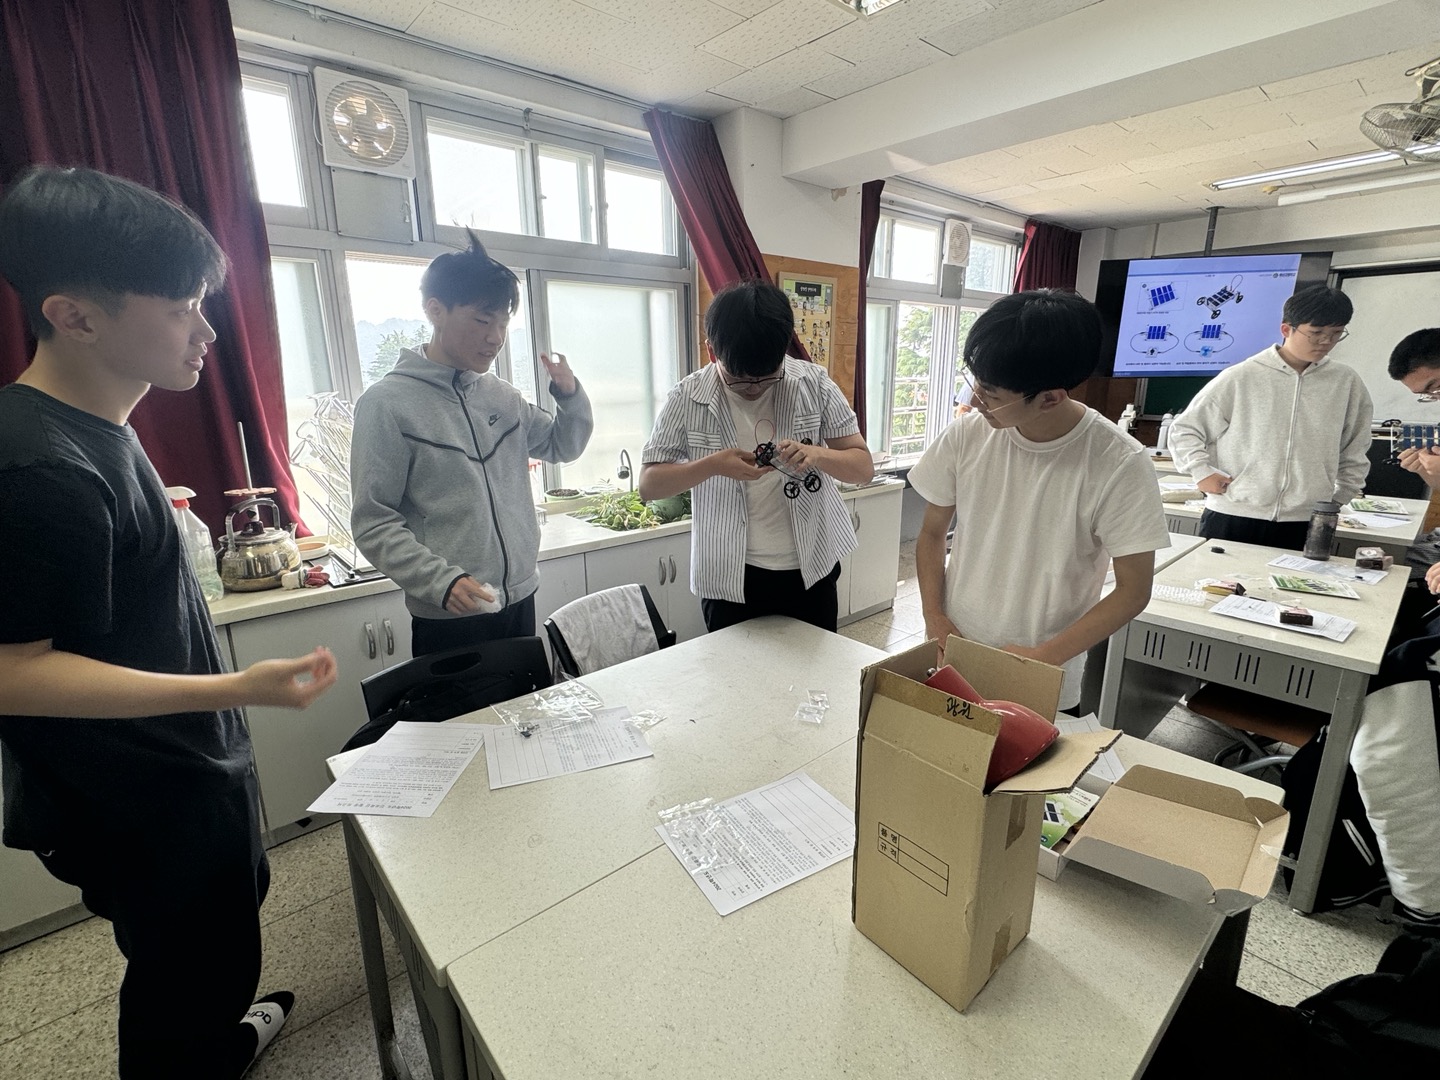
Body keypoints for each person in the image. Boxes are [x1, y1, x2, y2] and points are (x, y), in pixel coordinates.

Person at [0, 166, 338, 1079]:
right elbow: (13, 671)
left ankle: (219, 1036)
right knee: (181, 977)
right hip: (137, 799)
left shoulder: (103, 424)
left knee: (218, 944)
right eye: (183, 307)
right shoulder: (40, 467)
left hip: (186, 771)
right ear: (76, 316)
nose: (208, 331)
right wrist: (238, 686)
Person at [910, 289, 1169, 713]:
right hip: (956, 650)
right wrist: (934, 617)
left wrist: (1043, 657)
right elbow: (932, 533)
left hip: (1045, 669)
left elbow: (1133, 590)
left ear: (1051, 397)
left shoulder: (1118, 462)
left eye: (992, 393)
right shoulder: (966, 435)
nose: (975, 399)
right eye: (976, 382)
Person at [350, 231, 593, 656]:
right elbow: (373, 521)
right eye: (482, 320)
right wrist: (440, 581)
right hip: (450, 613)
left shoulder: (503, 397)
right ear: (435, 310)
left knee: (527, 701)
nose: (495, 337)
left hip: (520, 598)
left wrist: (569, 395)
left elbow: (562, 446)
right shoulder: (386, 404)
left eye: (503, 323)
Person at [638, 279, 873, 633]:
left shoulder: (814, 384)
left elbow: (863, 468)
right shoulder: (686, 397)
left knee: (815, 666)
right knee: (735, 669)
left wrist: (817, 454)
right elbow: (649, 485)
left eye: (766, 378)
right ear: (712, 351)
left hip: (811, 568)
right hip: (729, 577)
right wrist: (713, 465)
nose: (754, 389)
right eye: (739, 379)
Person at [1168, 283, 1373, 550]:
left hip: (1306, 519)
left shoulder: (1346, 382)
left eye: (1336, 334)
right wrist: (1201, 471)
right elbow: (1185, 429)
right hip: (1233, 514)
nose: (1326, 342)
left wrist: (1339, 497)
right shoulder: (1241, 376)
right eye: (1316, 333)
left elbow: (1355, 446)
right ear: (1286, 329)